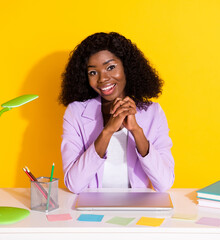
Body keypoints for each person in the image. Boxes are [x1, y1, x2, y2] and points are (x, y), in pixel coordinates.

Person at [59, 32, 174, 194]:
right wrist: (107, 131)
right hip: (90, 210)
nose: (102, 78)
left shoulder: (153, 113)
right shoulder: (75, 113)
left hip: (136, 208)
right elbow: (74, 185)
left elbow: (164, 183)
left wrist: (136, 131)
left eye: (110, 67)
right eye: (93, 72)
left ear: (127, 67)